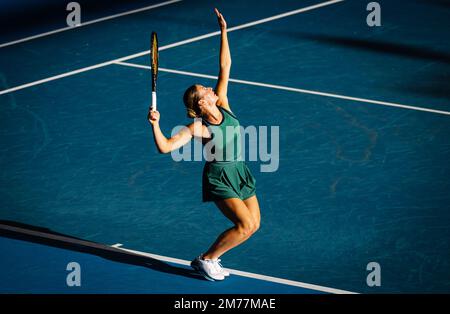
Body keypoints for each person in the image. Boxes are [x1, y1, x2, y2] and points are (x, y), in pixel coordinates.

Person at [147, 8, 260, 281]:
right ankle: (206, 259)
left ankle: (211, 258)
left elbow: (225, 66)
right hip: (219, 177)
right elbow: (166, 147)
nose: (211, 88)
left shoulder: (223, 102)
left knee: (254, 224)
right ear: (201, 103)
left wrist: (223, 31)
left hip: (240, 171)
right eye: (205, 90)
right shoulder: (198, 128)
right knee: (243, 224)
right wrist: (155, 125)